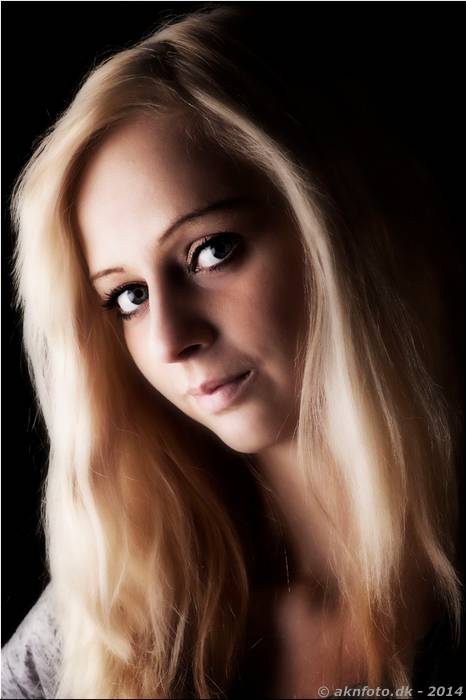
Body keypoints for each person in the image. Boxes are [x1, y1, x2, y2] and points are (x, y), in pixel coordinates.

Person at [2, 5, 463, 699]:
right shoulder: (107, 624)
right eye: (127, 296)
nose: (169, 340)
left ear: (342, 224)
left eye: (211, 251)